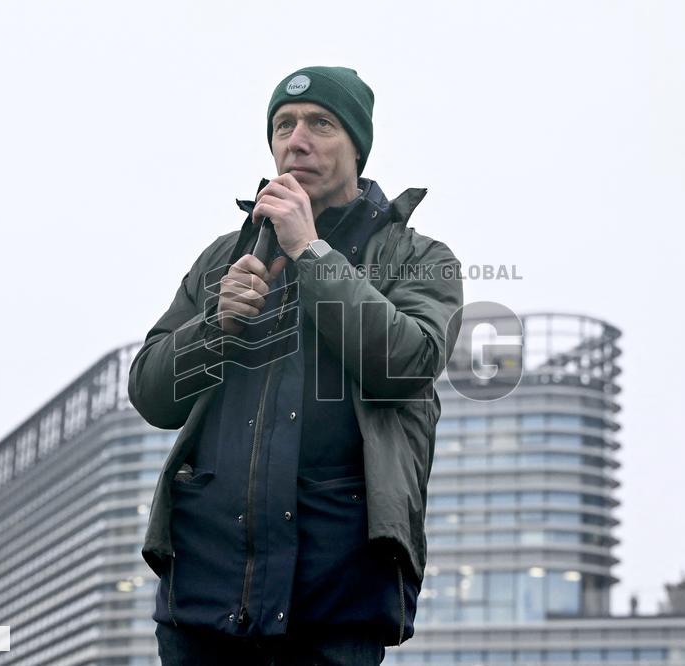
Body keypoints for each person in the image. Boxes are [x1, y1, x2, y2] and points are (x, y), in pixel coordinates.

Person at [128, 65, 464, 665]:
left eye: (321, 124)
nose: (297, 140)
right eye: (284, 125)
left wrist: (311, 252)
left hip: (336, 599)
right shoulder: (224, 258)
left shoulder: (418, 257)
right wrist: (216, 326)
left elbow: (406, 364)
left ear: (357, 146)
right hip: (203, 597)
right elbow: (151, 393)